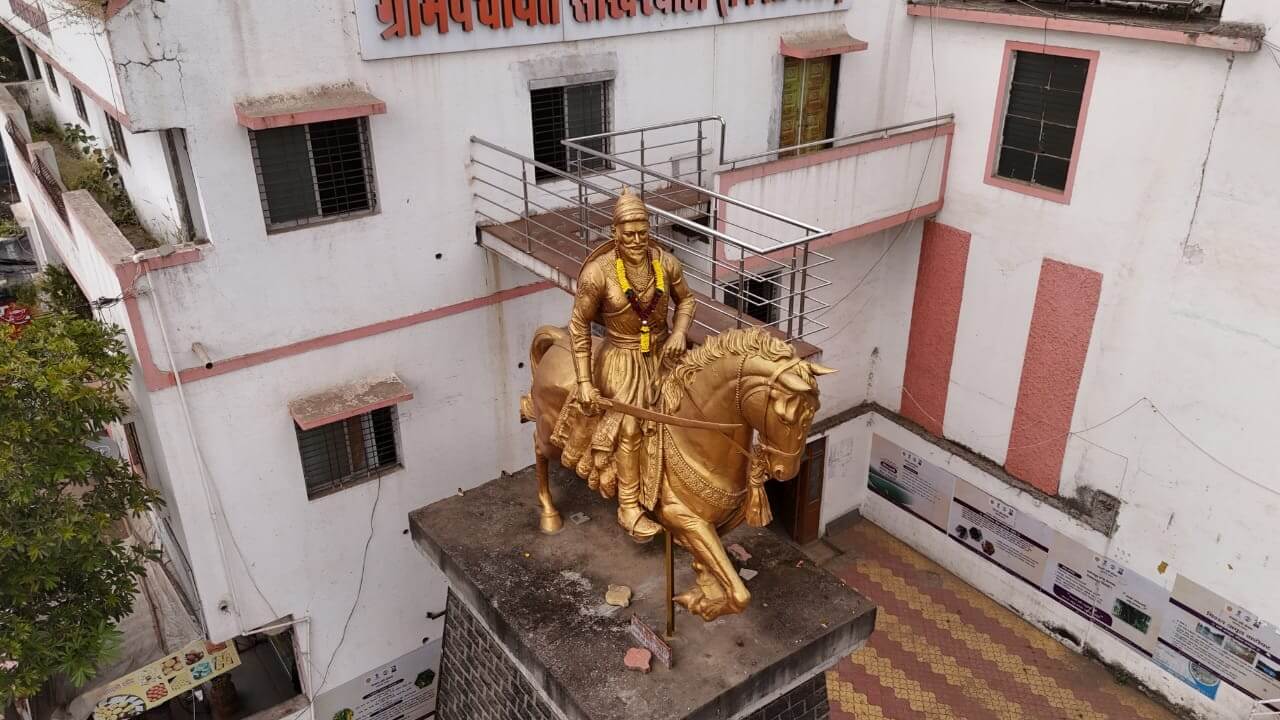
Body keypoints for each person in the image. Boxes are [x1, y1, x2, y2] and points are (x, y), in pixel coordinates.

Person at [568, 189, 696, 541]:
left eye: (643, 232)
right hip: (620, 359)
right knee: (631, 424)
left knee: (693, 407)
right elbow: (578, 325)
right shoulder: (598, 273)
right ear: (615, 233)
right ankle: (628, 506)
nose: (637, 240)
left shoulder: (665, 263)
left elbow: (687, 300)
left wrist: (679, 332)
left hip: (664, 352)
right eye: (629, 234)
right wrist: (584, 382)